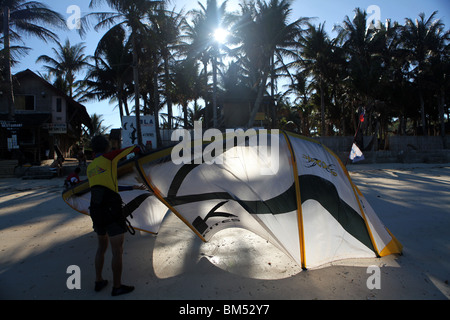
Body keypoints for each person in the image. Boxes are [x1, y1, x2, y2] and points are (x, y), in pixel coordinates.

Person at [87, 135, 140, 296]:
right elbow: (134, 148)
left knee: (101, 248)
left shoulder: (91, 167)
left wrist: (132, 188)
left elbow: (109, 186)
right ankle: (117, 287)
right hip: (111, 210)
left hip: (96, 210)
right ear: (107, 147)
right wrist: (140, 150)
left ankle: (98, 281)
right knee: (117, 250)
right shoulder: (109, 158)